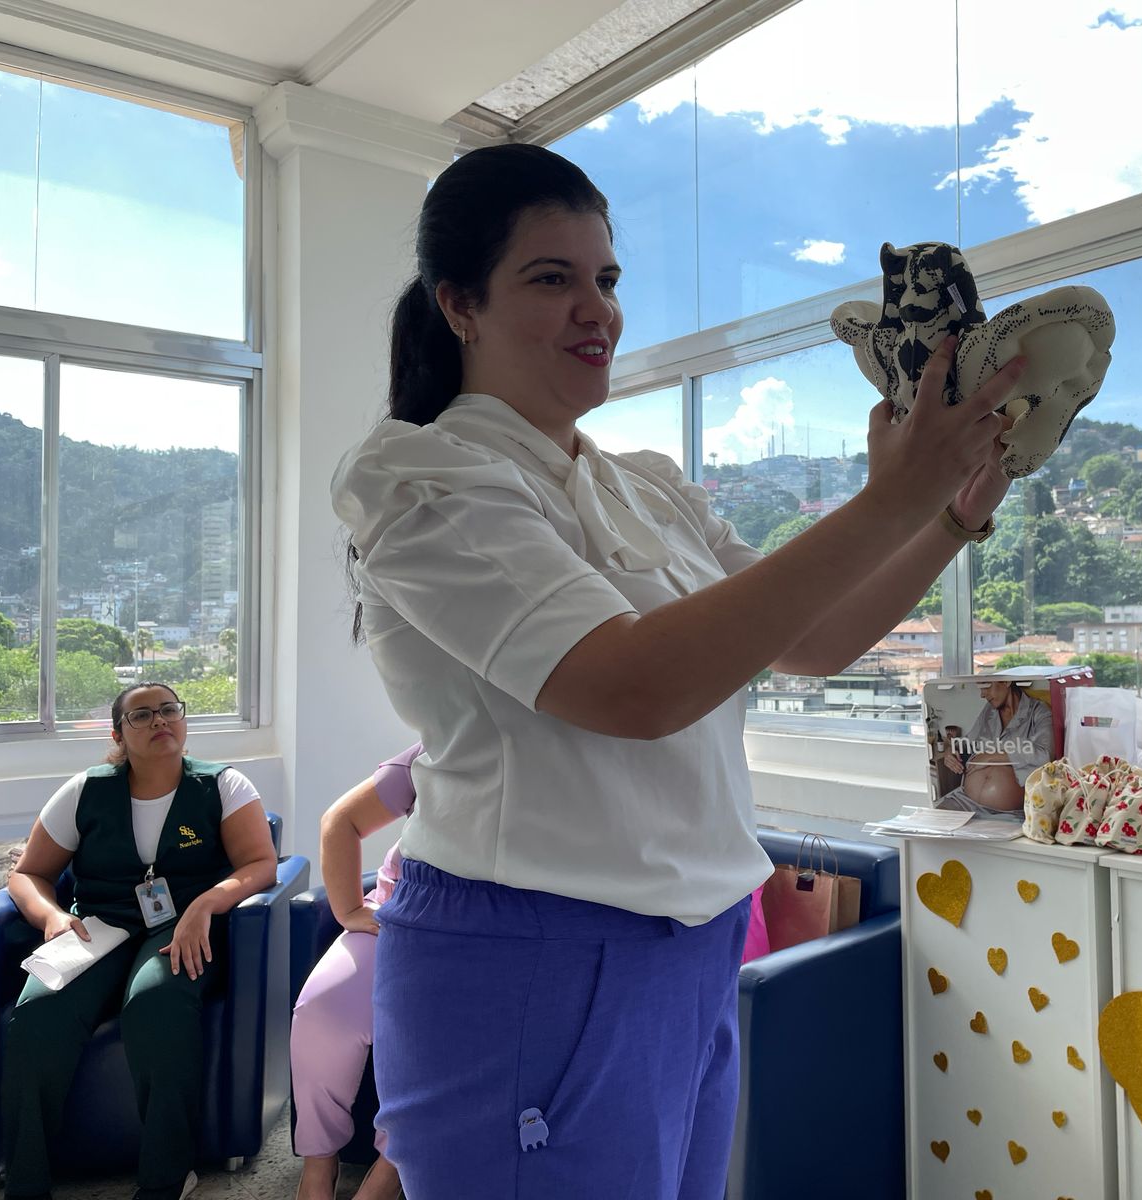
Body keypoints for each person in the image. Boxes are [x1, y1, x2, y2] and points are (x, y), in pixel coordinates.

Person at [329, 142, 1025, 1198]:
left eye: (606, 279)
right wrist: (888, 500)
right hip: (530, 951)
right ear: (459, 304)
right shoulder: (420, 473)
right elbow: (630, 687)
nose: (597, 312)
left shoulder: (648, 484)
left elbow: (813, 639)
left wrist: (945, 516)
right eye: (551, 279)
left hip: (694, 944)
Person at [2, 683, 279, 1200]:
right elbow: (28, 874)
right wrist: (52, 918)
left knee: (156, 1002)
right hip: (99, 926)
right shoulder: (85, 790)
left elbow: (261, 865)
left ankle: (165, 1179)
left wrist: (207, 904)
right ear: (117, 735)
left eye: (169, 710)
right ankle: (25, 1182)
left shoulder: (223, 785)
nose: (160, 721)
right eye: (142, 715)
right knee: (37, 1013)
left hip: (184, 926)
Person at [291, 746, 421, 1200]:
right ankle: (318, 1162)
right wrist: (349, 909)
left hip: (478, 939)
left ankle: (389, 1172)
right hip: (393, 913)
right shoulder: (435, 747)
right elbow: (341, 819)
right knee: (322, 1013)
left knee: (428, 1037)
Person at [936, 678, 1052, 816]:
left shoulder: (1039, 712)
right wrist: (951, 750)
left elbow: (1045, 754)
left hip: (1009, 812)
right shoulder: (990, 710)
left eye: (986, 687)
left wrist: (991, 757)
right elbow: (969, 741)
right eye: (980, 688)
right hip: (965, 801)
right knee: (930, 822)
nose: (982, 694)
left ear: (1006, 682)